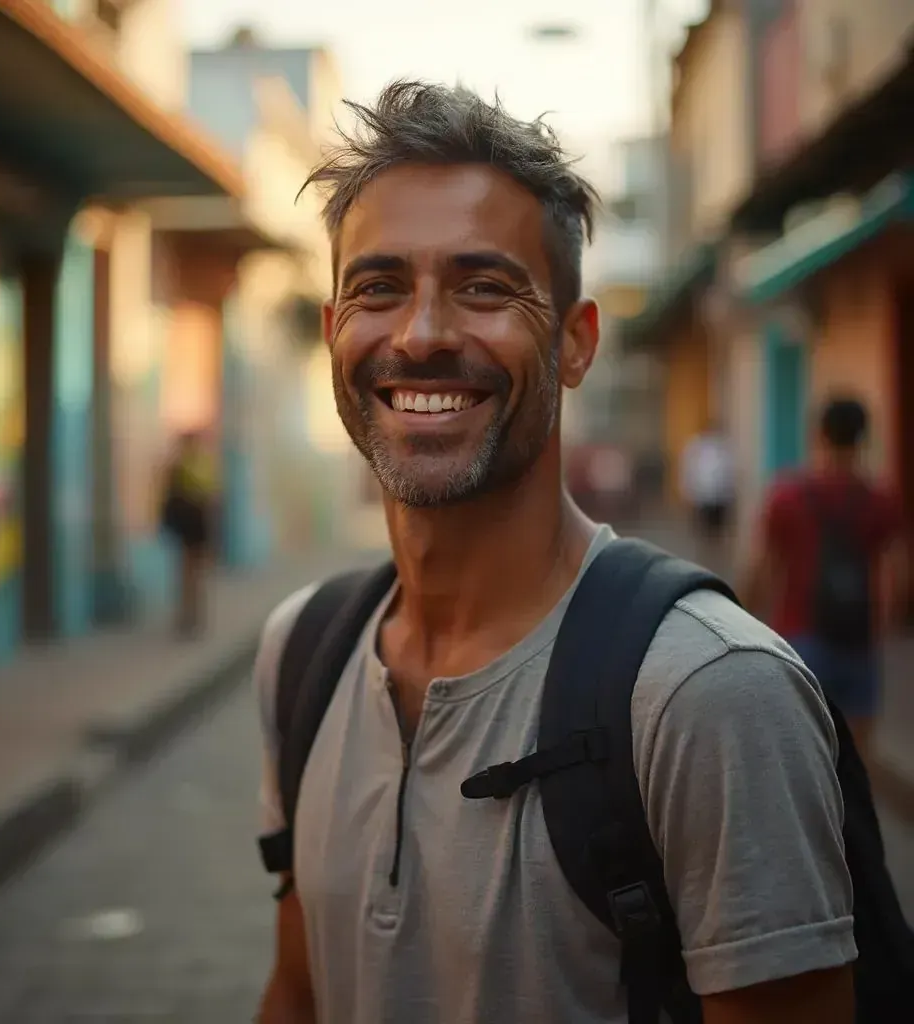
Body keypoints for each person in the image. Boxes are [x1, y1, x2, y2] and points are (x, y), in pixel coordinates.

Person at [254, 81, 855, 1023]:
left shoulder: (709, 693)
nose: (420, 334)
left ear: (576, 345)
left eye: (484, 287)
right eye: (377, 287)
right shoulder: (302, 654)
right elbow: (296, 995)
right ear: (334, 333)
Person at [741, 395, 907, 762]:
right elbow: (898, 578)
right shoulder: (880, 500)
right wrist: (882, 627)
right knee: (857, 760)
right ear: (863, 438)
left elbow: (760, 569)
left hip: (800, 638)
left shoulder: (787, 495)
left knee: (802, 757)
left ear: (819, 435)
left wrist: (745, 624)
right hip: (858, 640)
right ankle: (849, 818)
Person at [160, 431, 216, 637]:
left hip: (195, 521)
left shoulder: (187, 464)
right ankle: (189, 615)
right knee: (190, 572)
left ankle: (192, 615)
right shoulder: (190, 464)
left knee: (191, 572)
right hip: (192, 521)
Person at [679, 419, 735, 568]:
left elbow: (729, 472)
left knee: (717, 530)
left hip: (720, 496)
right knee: (703, 529)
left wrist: (730, 493)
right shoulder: (696, 447)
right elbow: (689, 470)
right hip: (702, 495)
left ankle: (717, 558)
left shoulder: (723, 447)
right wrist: (688, 491)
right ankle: (704, 558)